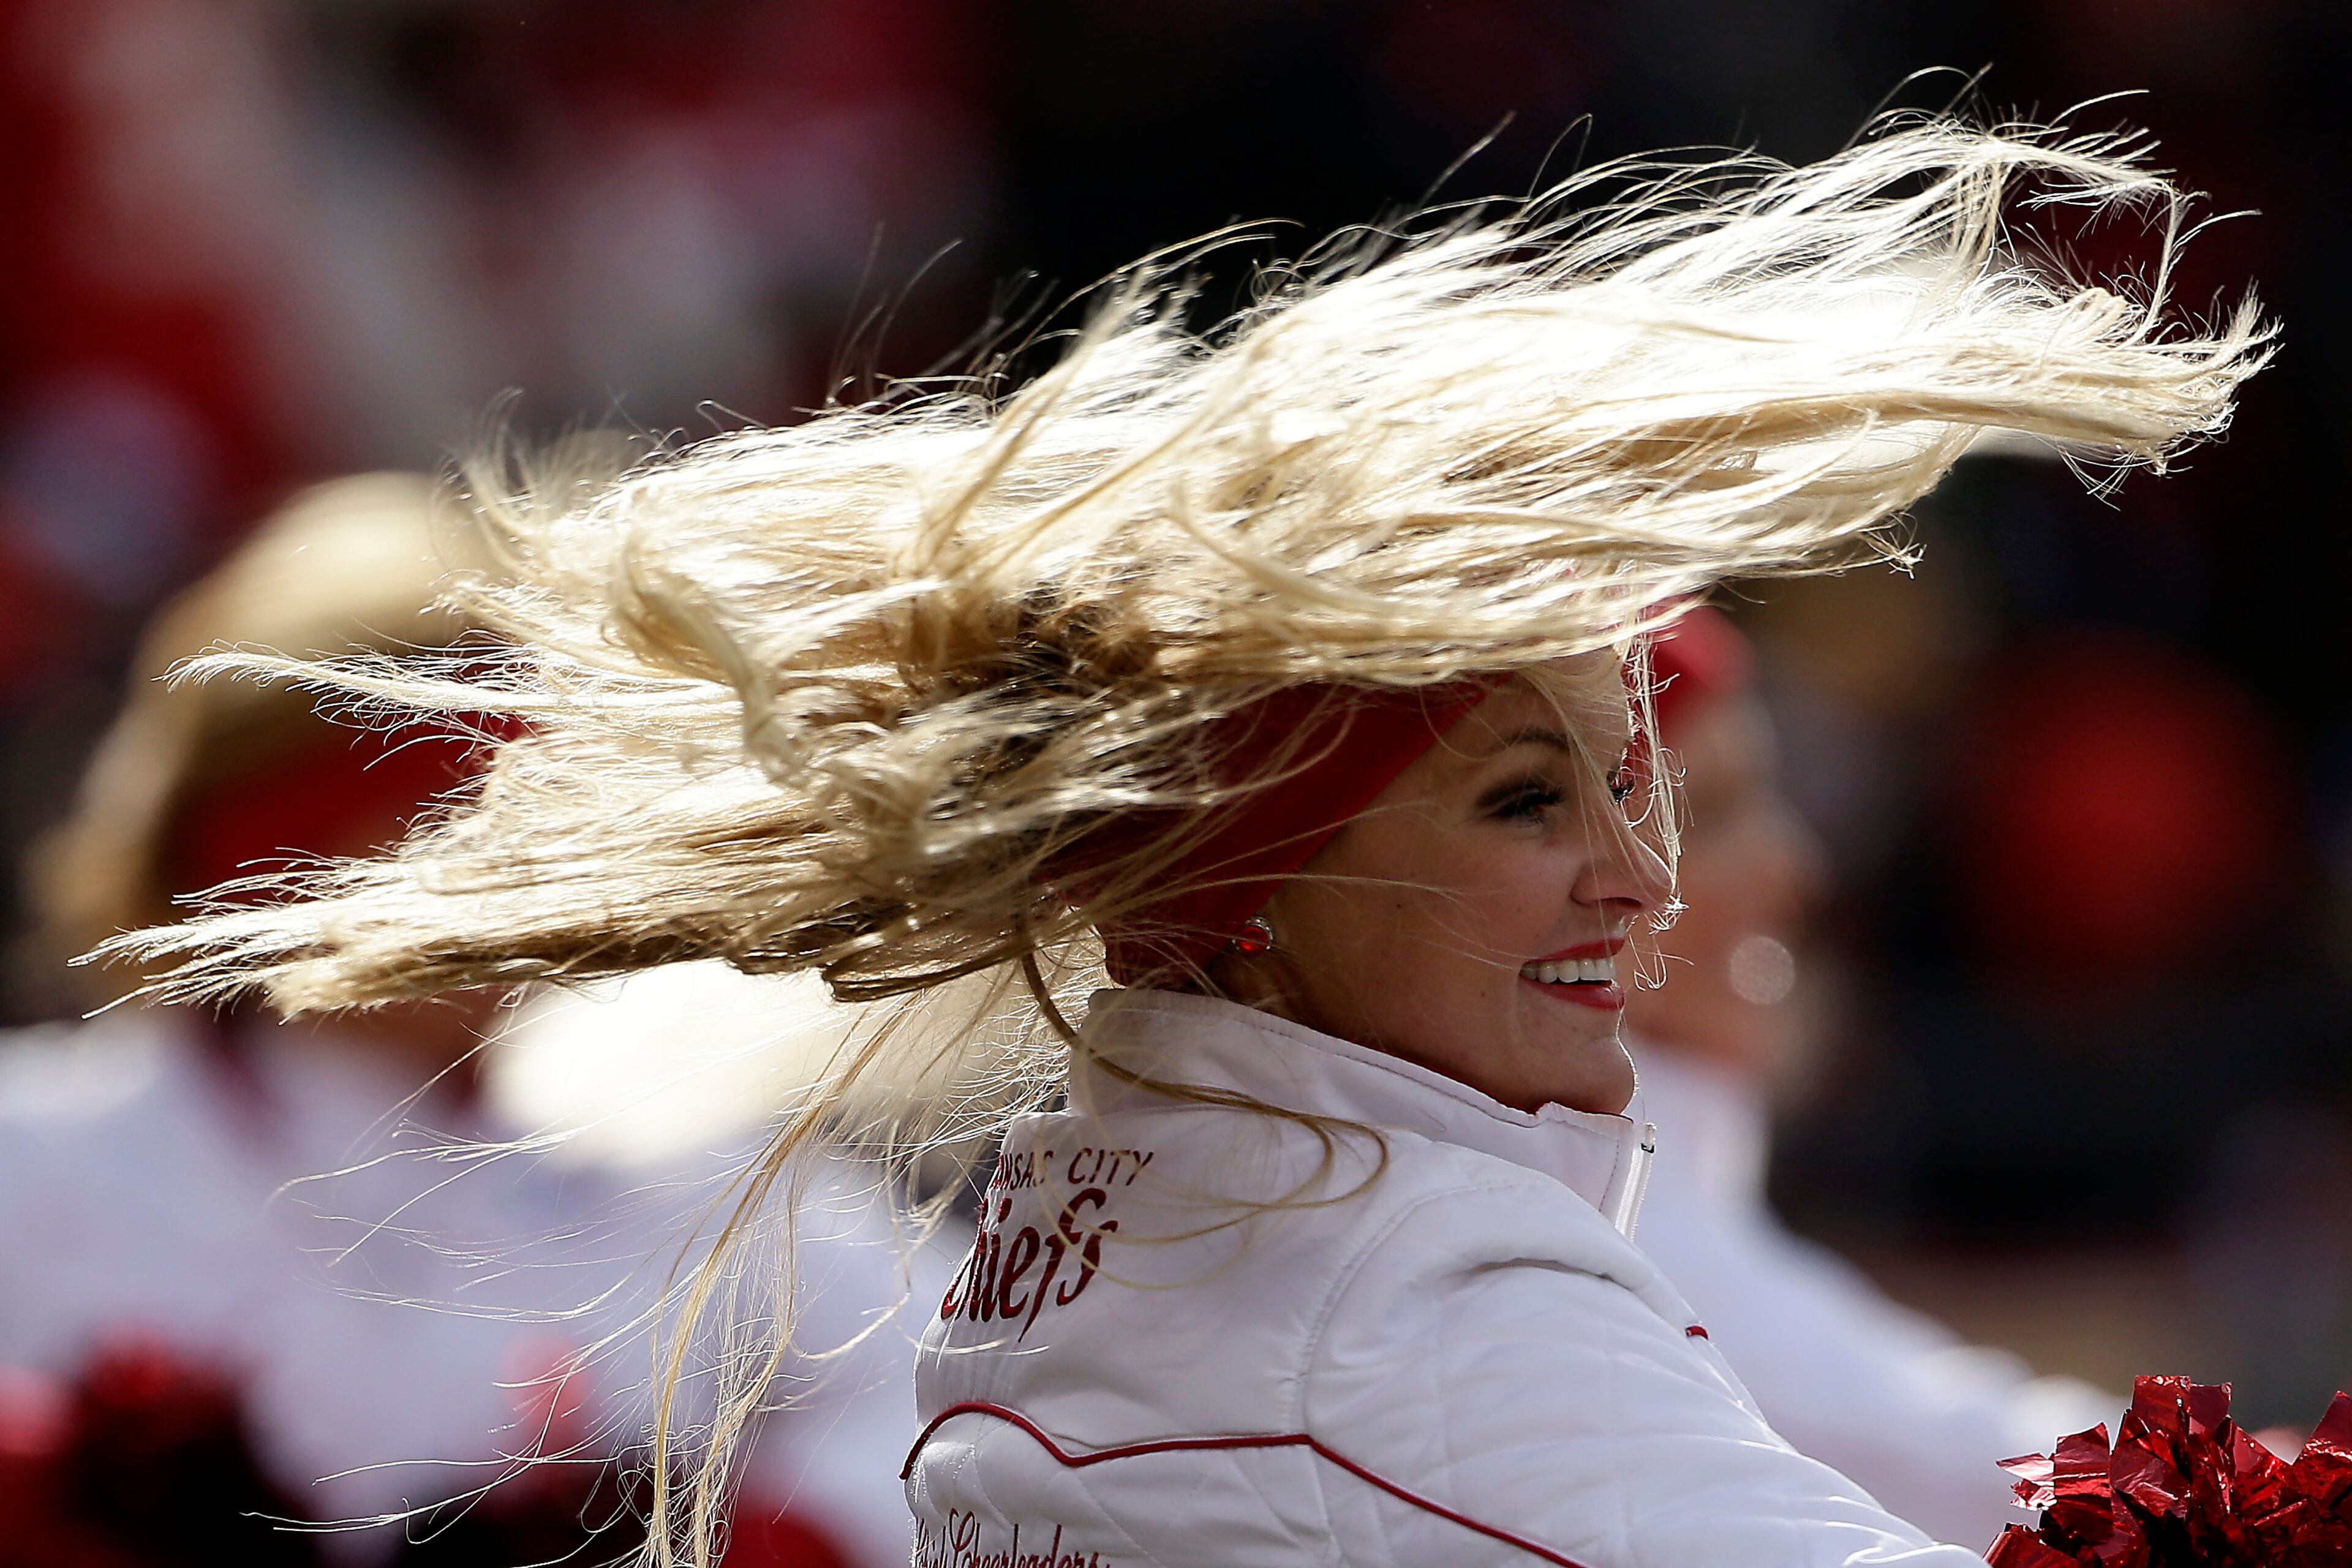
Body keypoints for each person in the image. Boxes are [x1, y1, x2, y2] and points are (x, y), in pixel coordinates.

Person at [113, 122, 2269, 1567]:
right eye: (1533, 799)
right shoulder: (1424, 1271)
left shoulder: (1106, 1199)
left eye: (1649, 786)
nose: (1663, 877)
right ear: (1252, 875)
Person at [1, 475, 918, 1566]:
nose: (503, 892)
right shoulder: (39, 1157)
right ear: (260, 858)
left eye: (536, 832)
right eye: (422, 831)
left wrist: (762, 1537)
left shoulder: (680, 1138)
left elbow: (954, 1386)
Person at [1623, 606, 2119, 1548]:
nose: (1796, 871)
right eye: (1714, 815)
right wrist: (2256, 1494)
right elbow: (1920, 1438)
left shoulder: (1653, 1162)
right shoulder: (1598, 1204)